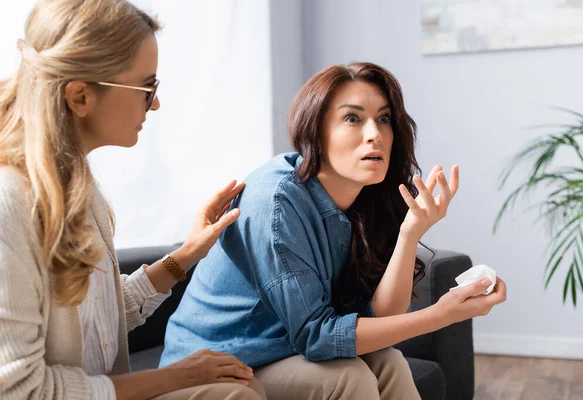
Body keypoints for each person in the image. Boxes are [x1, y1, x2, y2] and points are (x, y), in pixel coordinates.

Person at [160, 61, 507, 399]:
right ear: (316, 130)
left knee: (388, 362)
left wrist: (410, 232)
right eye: (352, 118)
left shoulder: (365, 196)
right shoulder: (276, 203)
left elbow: (381, 315)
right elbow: (318, 336)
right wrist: (439, 315)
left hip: (278, 352)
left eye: (383, 119)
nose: (375, 134)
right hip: (214, 364)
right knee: (348, 378)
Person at [0, 1, 266, 399]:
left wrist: (185, 256)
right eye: (147, 87)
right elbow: (20, 390)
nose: (155, 103)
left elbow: (95, 326)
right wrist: (176, 376)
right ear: (79, 97)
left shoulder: (76, 186)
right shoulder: (11, 206)